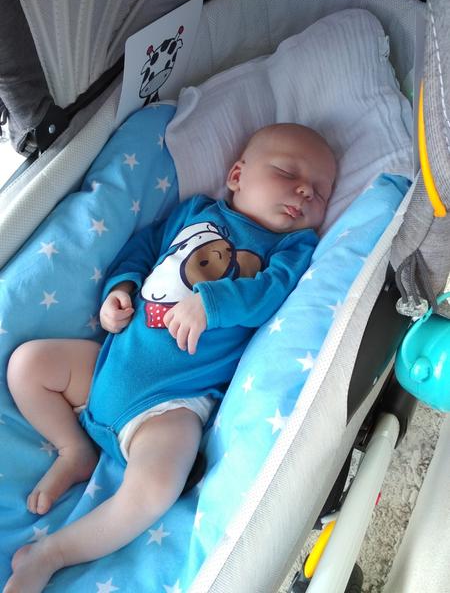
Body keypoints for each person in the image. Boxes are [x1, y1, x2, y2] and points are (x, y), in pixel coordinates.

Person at [4, 122, 336, 593]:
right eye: (288, 173)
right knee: (27, 364)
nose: (305, 191)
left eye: (320, 192)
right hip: (107, 367)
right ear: (237, 175)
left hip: (173, 403)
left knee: (157, 488)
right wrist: (118, 290)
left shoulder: (291, 246)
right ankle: (74, 449)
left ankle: (54, 553)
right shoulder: (194, 211)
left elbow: (271, 290)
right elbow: (143, 250)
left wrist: (211, 302)